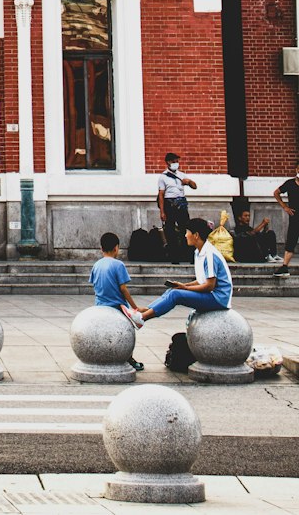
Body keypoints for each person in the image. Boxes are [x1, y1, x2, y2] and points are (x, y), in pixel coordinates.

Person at [123, 218, 232, 326]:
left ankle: (142, 318)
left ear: (196, 235)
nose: (185, 235)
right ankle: (146, 310)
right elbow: (201, 280)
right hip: (211, 295)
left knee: (176, 294)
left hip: (218, 299)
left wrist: (185, 288)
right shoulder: (198, 252)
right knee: (173, 290)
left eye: (187, 232)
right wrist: (183, 285)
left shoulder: (209, 255)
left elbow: (209, 286)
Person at [90, 232, 144, 372]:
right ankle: (128, 358)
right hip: (117, 307)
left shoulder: (96, 265)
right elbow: (123, 289)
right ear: (116, 248)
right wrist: (134, 307)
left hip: (100, 306)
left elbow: (95, 286)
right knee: (127, 333)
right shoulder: (118, 265)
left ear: (101, 249)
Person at [157, 152, 197, 263]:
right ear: (168, 162)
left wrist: (188, 182)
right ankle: (174, 257)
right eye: (174, 161)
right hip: (170, 204)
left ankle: (189, 256)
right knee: (170, 232)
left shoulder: (182, 175)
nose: (176, 163)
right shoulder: (163, 177)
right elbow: (161, 194)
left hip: (181, 204)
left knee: (186, 229)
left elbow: (195, 186)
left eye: (177, 161)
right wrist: (162, 211)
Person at [273, 164, 299, 275]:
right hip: (295, 216)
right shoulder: (290, 183)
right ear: (296, 169)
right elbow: (276, 193)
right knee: (291, 241)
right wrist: (285, 207)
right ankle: (284, 266)